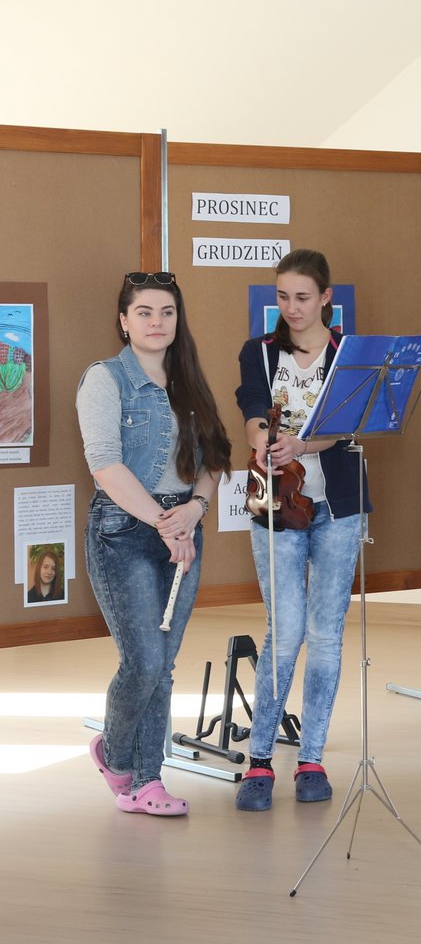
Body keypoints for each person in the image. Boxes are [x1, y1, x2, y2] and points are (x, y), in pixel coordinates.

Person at [78, 271, 230, 816]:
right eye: (144, 312)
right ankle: (116, 753)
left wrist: (195, 509)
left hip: (183, 525)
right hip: (122, 531)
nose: (156, 322)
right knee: (142, 662)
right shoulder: (103, 379)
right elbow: (105, 466)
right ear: (124, 320)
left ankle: (147, 782)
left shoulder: (189, 382)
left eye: (167, 312)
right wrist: (167, 525)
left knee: (163, 665)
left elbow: (215, 460)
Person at [234, 249, 368, 812]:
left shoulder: (349, 355)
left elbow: (351, 424)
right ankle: (260, 760)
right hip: (277, 505)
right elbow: (251, 409)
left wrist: (304, 444)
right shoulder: (259, 352)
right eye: (283, 296)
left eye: (303, 297)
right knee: (285, 632)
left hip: (340, 505)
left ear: (326, 298)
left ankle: (311, 758)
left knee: (327, 634)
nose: (292, 307)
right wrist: (263, 440)